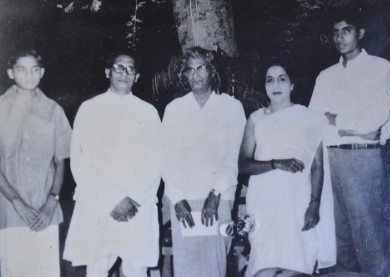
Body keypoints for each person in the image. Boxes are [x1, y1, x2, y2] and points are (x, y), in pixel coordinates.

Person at [309, 8, 390, 276]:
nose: (340, 37)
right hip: (330, 159)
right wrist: (352, 127)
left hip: (363, 159)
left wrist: (336, 120)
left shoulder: (379, 68)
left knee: (368, 236)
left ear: (360, 33)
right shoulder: (326, 75)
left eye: (345, 30)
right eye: (335, 33)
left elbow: (374, 121)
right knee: (340, 239)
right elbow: (314, 121)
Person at [63, 52, 161, 277]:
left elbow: (156, 162)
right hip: (99, 203)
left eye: (130, 69)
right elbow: (80, 161)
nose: (124, 73)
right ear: (108, 72)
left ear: (137, 76)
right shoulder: (89, 109)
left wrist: (134, 198)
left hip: (137, 206)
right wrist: (111, 198)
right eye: (119, 67)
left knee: (136, 269)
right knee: (97, 267)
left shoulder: (148, 113)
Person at [239, 57, 336, 276]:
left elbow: (317, 166)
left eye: (282, 79)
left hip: (297, 202)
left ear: (292, 85)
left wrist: (314, 204)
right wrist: (275, 163)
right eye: (270, 80)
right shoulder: (256, 119)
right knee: (264, 263)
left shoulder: (309, 118)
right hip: (265, 203)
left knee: (297, 263)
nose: (275, 85)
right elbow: (243, 165)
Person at [161, 46, 246, 277]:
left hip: (219, 201)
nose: (196, 74)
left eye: (201, 68)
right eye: (190, 70)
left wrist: (215, 195)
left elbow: (233, 158)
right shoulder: (174, 109)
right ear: (184, 75)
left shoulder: (231, 107)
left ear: (212, 71)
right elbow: (166, 158)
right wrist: (177, 199)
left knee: (214, 267)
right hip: (184, 202)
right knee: (186, 269)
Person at [0, 49, 72, 277]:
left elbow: (61, 161)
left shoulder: (54, 110)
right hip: (9, 210)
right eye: (21, 69)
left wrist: (52, 201)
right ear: (11, 73)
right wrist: (16, 202)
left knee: (45, 271)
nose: (29, 75)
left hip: (45, 210)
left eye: (34, 69)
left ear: (41, 73)